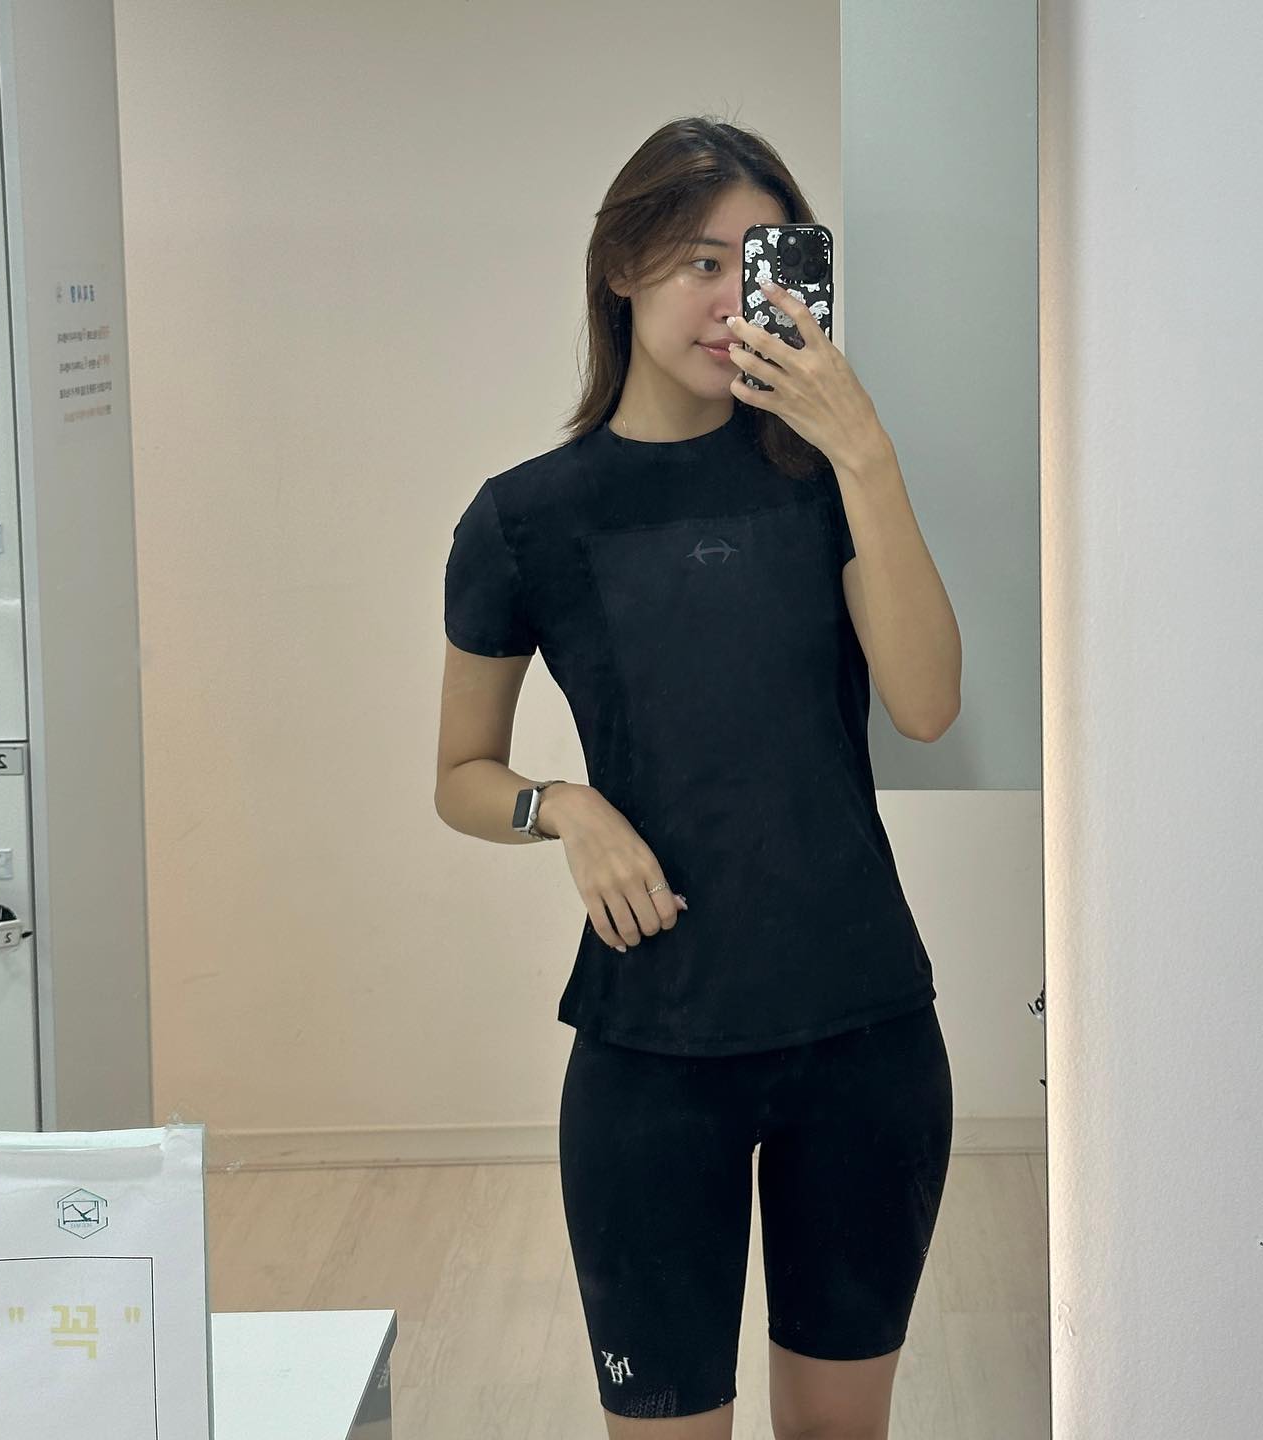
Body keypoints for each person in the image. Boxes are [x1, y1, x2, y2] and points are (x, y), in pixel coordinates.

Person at [436, 116, 957, 1439]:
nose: (733, 302)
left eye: (761, 265)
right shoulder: (525, 519)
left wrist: (865, 451)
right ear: (622, 267)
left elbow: (927, 703)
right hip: (652, 1058)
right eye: (700, 263)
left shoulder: (828, 483)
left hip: (864, 1037)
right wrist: (564, 807)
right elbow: (460, 774)